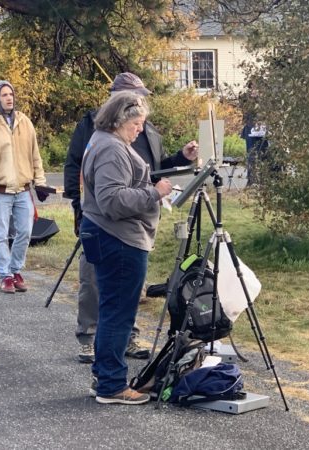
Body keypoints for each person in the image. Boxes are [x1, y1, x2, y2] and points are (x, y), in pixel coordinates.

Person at [64, 72, 199, 363]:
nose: (140, 103)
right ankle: (89, 338)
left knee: (126, 289)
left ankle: (127, 339)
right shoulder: (94, 126)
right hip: (103, 219)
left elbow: (156, 169)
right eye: (134, 96)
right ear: (117, 98)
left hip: (134, 221)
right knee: (94, 281)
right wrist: (78, 206)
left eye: (142, 96)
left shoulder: (146, 128)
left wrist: (181, 158)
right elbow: (75, 166)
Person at [80, 91, 173, 404]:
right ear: (120, 120)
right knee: (119, 312)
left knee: (112, 309)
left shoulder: (104, 141)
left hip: (109, 235)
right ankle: (111, 384)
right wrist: (154, 194)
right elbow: (112, 200)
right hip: (117, 238)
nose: (140, 129)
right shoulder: (111, 150)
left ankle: (105, 377)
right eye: (136, 123)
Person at [0, 80, 49, 294]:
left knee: (25, 232)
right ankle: (5, 275)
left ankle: (16, 270)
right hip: (0, 191)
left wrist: (40, 183)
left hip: (23, 189)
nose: (9, 98)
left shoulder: (25, 122)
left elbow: (35, 156)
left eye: (11, 94)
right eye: (4, 95)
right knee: (1, 233)